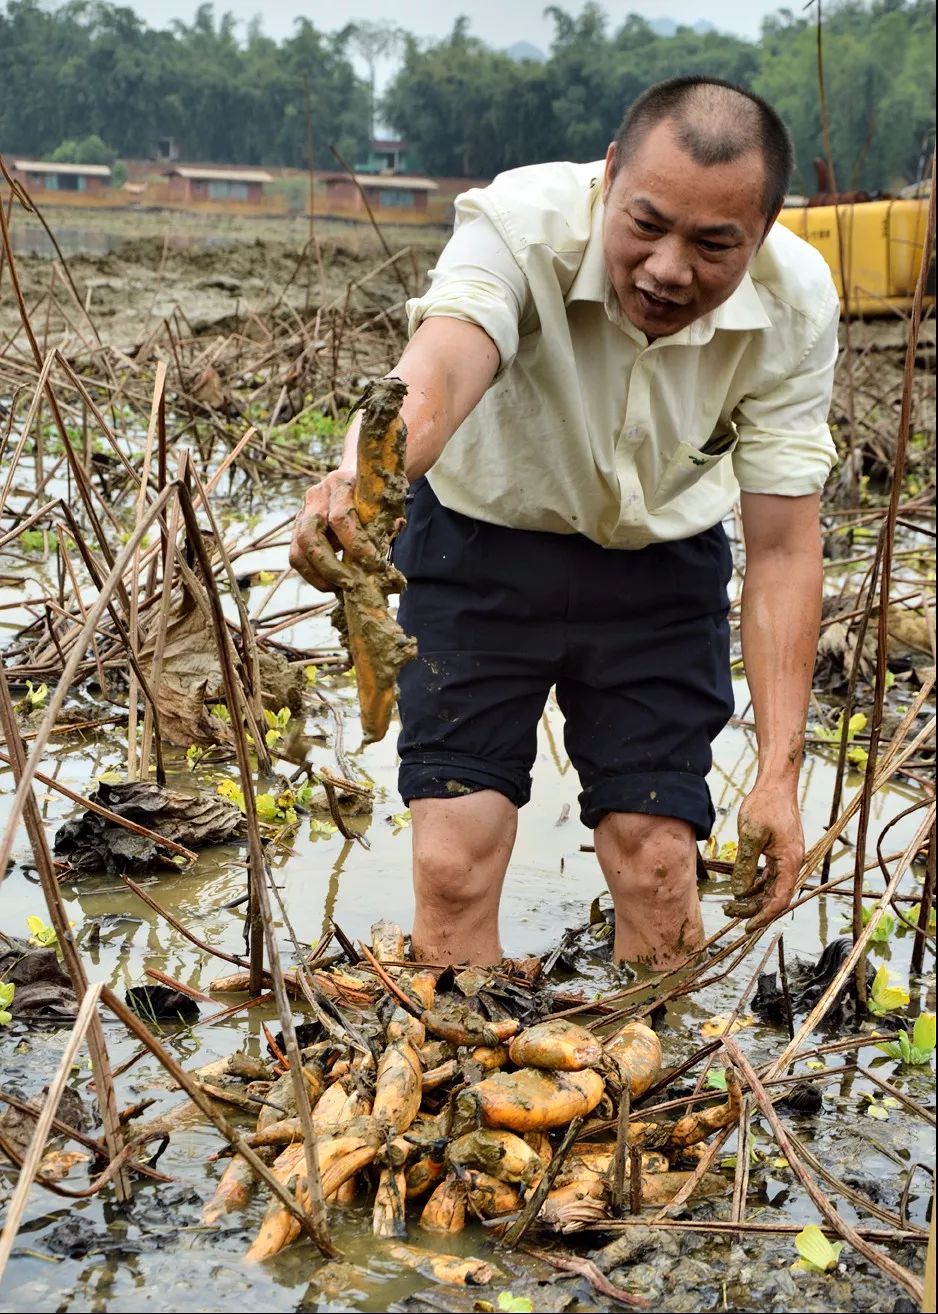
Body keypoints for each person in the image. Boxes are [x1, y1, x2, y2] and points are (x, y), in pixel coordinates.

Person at [290, 76, 840, 970]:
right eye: (647, 224)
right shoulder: (522, 224)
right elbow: (442, 364)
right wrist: (363, 478)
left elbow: (782, 548)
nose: (668, 269)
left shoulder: (796, 302)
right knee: (452, 858)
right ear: (610, 175)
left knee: (660, 864)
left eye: (712, 244)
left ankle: (644, 1077)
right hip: (477, 551)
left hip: (659, 570)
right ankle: (462, 1078)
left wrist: (779, 774)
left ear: (765, 231)